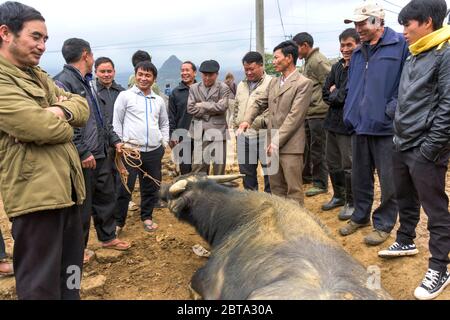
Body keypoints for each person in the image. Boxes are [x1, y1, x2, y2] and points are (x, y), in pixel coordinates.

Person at [0, 1, 89, 299]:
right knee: (40, 285)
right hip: (36, 199)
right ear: (5, 33)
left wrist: (59, 111)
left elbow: (81, 106)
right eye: (35, 37)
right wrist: (63, 119)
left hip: (67, 191)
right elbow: (40, 127)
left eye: (45, 39)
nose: (42, 45)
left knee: (71, 275)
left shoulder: (37, 75)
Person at [378, 0, 450, 300]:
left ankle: (439, 267)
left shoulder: (444, 53)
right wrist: (394, 113)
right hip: (401, 141)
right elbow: (405, 94)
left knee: (435, 209)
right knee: (403, 195)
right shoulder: (415, 54)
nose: (403, 30)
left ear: (427, 23)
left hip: (425, 147)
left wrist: (430, 148)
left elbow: (448, 105)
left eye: (408, 24)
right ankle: (406, 239)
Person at [54, 38, 130, 264]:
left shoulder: (88, 82)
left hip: (101, 153)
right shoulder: (62, 83)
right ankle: (79, 249)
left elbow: (100, 120)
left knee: (106, 198)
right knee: (82, 207)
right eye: (92, 54)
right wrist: (82, 150)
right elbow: (66, 121)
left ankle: (108, 237)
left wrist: (114, 140)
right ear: (86, 55)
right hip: (83, 157)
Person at [339, 2, 409, 246]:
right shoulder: (358, 53)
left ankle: (384, 223)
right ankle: (361, 216)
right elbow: (355, 87)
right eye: (355, 24)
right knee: (360, 177)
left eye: (362, 23)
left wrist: (391, 110)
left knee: (389, 181)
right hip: (359, 125)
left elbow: (407, 83)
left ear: (378, 21)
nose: (358, 28)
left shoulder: (400, 45)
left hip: (386, 127)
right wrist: (351, 112)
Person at [239, 41, 313, 205]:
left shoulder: (303, 83)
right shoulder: (274, 82)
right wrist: (247, 120)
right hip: (271, 144)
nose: (273, 61)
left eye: (276, 57)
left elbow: (295, 117)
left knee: (293, 189)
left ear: (289, 58)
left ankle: (296, 224)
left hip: (290, 146)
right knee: (276, 187)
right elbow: (259, 102)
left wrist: (276, 141)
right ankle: (281, 222)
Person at [113, 61, 169, 233]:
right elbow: (117, 122)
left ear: (154, 79)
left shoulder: (158, 100)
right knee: (125, 187)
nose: (143, 78)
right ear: (135, 75)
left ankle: (147, 216)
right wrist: (120, 143)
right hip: (131, 152)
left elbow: (164, 123)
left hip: (153, 151)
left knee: (151, 186)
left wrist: (163, 142)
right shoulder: (125, 96)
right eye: (140, 74)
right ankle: (118, 223)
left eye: (148, 75)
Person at [321, 29, 360, 220]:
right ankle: (338, 196)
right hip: (332, 123)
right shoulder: (336, 67)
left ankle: (352, 202)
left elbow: (349, 94)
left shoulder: (360, 67)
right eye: (342, 45)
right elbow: (325, 93)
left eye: (349, 45)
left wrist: (336, 92)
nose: (345, 49)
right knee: (332, 162)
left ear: (358, 45)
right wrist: (336, 93)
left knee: (349, 165)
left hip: (348, 124)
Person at [293, 32, 331, 197]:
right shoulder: (308, 62)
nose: (295, 52)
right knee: (308, 148)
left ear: (305, 45)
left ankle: (321, 183)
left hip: (319, 113)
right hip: (309, 113)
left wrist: (322, 104)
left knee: (318, 149)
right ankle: (308, 176)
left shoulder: (317, 61)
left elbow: (330, 83)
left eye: (296, 47)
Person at [233, 51, 272, 193]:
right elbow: (236, 107)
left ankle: (270, 201)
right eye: (246, 69)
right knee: (246, 172)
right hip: (243, 136)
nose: (248, 73)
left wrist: (260, 123)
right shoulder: (241, 85)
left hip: (264, 134)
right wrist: (236, 126)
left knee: (270, 171)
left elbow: (274, 110)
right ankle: (252, 201)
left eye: (251, 69)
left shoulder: (272, 83)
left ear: (261, 66)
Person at [187, 60, 230, 176]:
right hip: (199, 132)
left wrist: (202, 104)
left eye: (210, 75)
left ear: (217, 74)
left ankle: (218, 193)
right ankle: (200, 193)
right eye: (204, 75)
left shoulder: (223, 88)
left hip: (218, 133)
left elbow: (222, 107)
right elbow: (190, 108)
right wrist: (211, 109)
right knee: (198, 168)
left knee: (219, 169)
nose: (207, 78)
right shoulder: (194, 88)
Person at [94, 57, 125, 191]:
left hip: (120, 142)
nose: (106, 74)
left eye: (109, 71)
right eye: (102, 71)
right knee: (103, 180)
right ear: (96, 72)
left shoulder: (122, 92)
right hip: (100, 143)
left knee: (121, 176)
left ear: (114, 72)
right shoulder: (92, 92)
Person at [168, 61, 197, 175]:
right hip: (183, 136)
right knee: (185, 170)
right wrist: (172, 134)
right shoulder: (175, 93)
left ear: (194, 73)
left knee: (201, 170)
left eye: (187, 70)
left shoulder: (201, 89)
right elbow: (171, 116)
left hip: (201, 136)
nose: (184, 73)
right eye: (182, 70)